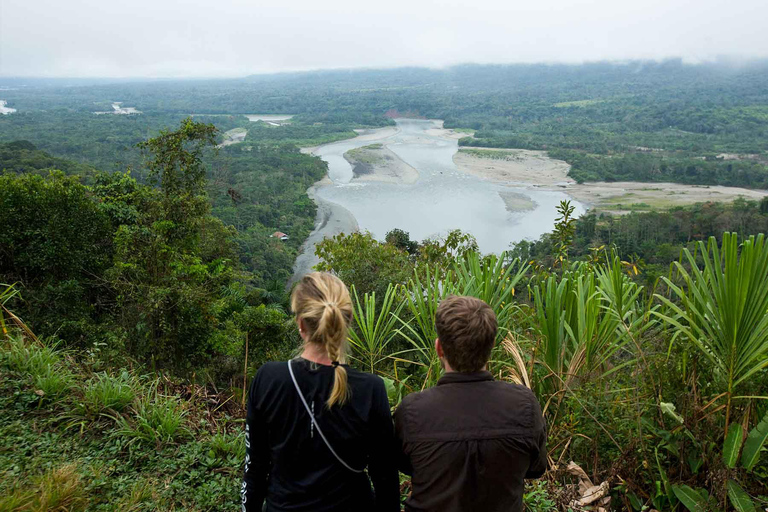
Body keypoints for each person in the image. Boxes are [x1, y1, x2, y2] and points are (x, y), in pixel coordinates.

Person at [241, 272, 400, 512]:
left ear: (301, 324)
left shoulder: (269, 379)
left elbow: (255, 469)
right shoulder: (371, 389)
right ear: (348, 321)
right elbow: (386, 479)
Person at [394, 295, 547, 512]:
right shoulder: (524, 406)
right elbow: (536, 468)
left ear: (439, 348)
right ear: (492, 345)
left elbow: (406, 465)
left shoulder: (412, 411)